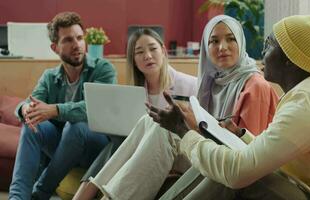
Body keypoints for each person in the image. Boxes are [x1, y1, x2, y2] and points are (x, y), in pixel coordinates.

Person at [148, 15, 310, 199]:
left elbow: (238, 172)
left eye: (270, 44)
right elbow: (270, 149)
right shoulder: (305, 94)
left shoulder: (308, 105)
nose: (263, 51)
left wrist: (184, 132)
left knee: (233, 176)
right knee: (224, 163)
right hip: (299, 183)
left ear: (290, 61)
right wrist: (241, 135)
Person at [82, 14, 279, 200]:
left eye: (230, 39)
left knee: (166, 131)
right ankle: (103, 191)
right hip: (210, 152)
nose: (222, 47)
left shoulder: (255, 86)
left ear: (241, 42)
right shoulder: (213, 82)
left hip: (227, 164)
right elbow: (208, 129)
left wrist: (187, 128)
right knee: (149, 120)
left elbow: (246, 153)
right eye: (214, 41)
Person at [73, 28, 198, 199]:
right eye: (139, 52)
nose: (147, 55)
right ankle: (93, 193)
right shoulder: (134, 95)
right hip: (147, 150)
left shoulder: (191, 85)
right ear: (134, 60)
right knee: (125, 136)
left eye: (153, 49)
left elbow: (201, 131)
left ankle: (86, 194)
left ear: (163, 50)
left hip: (186, 151)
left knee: (154, 124)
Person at [9, 12, 117, 199]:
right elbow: (29, 103)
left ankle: (40, 192)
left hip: (95, 147)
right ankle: (17, 197)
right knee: (32, 125)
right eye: (68, 40)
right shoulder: (49, 77)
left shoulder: (103, 69)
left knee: (76, 126)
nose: (77, 45)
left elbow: (95, 108)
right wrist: (26, 109)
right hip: (62, 148)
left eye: (79, 38)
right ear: (55, 47)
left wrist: (55, 110)